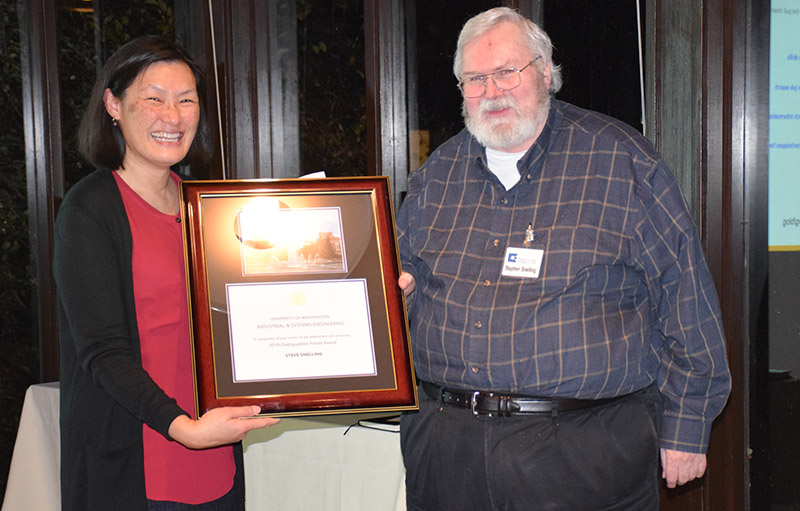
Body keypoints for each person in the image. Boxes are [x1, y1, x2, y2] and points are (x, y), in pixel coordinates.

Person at [396, 7, 731, 511]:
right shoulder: (434, 178)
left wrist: (686, 427)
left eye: (507, 72)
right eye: (475, 78)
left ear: (546, 71)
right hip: (447, 451)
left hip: (583, 453)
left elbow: (686, 301)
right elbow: (400, 292)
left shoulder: (622, 163)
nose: (492, 91)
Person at [53, 36, 278, 511]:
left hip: (215, 453)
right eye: (153, 98)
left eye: (186, 100)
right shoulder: (89, 210)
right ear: (113, 104)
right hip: (139, 462)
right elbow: (102, 351)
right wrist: (186, 429)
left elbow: (250, 311)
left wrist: (369, 296)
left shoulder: (210, 210)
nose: (172, 117)